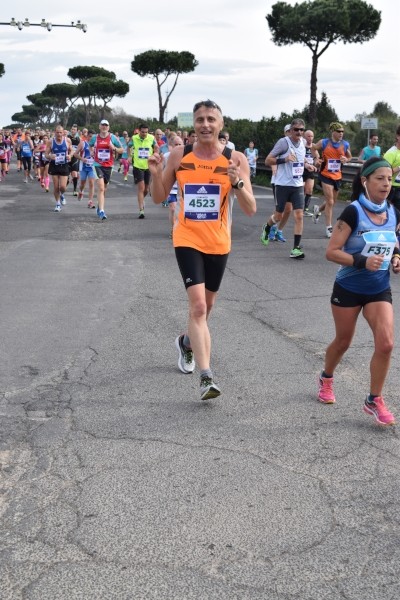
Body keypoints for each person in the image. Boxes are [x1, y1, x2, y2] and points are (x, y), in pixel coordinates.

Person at [148, 99, 256, 401]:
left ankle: (185, 342)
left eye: (211, 119)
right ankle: (207, 377)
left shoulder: (235, 160)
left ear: (221, 125)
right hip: (186, 238)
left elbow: (250, 208)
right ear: (192, 125)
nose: (205, 124)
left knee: (206, 310)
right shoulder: (179, 156)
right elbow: (158, 197)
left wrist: (237, 184)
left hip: (219, 242)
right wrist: (157, 173)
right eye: (200, 120)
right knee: (196, 307)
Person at [317, 157, 400, 425]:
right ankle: (326, 377)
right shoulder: (353, 212)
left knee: (386, 344)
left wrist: (397, 256)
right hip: (349, 287)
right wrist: (361, 261)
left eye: (389, 179)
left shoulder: (392, 211)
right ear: (365, 181)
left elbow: (392, 239)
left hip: (378, 288)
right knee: (343, 342)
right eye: (380, 178)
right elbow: (331, 252)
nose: (386, 184)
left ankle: (374, 399)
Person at [261, 118, 314, 259]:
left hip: (297, 185)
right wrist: (284, 159)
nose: (299, 132)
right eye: (296, 129)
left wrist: (307, 165)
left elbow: (300, 158)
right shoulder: (283, 143)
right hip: (282, 185)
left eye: (302, 130)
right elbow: (268, 160)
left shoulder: (303, 143)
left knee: (299, 215)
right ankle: (267, 227)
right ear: (290, 131)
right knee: (278, 216)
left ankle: (295, 248)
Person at [312, 122, 352, 238]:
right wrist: (317, 158)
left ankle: (317, 210)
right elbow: (313, 148)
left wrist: (346, 159)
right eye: (339, 131)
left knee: (332, 202)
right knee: (330, 201)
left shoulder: (345, 144)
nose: (341, 133)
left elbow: (349, 156)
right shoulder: (324, 142)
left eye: (342, 131)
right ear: (333, 132)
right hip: (325, 175)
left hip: (337, 176)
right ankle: (329, 227)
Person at [88, 119, 123, 220]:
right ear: (99, 127)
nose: (104, 127)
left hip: (109, 165)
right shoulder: (95, 138)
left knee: (104, 189)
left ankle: (100, 206)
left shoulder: (113, 138)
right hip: (97, 164)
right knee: (101, 187)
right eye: (102, 125)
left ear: (109, 127)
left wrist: (114, 148)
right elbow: (89, 145)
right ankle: (102, 211)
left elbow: (121, 149)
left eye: (106, 125)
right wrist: (91, 151)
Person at [129, 123, 158, 218]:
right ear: (139, 130)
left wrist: (155, 155)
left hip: (148, 166)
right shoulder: (134, 138)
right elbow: (128, 146)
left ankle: (141, 199)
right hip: (138, 166)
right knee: (141, 188)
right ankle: (141, 210)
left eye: (146, 132)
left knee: (146, 189)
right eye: (142, 132)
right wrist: (129, 156)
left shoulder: (151, 138)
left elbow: (156, 147)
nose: (144, 134)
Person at [45, 124, 73, 212]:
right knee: (56, 187)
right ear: (55, 132)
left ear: (63, 132)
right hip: (54, 165)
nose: (59, 134)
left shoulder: (67, 140)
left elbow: (72, 150)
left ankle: (62, 194)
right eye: (57, 132)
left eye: (61, 132)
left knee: (63, 187)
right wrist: (50, 156)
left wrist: (70, 155)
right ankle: (57, 204)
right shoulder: (50, 141)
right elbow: (45, 154)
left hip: (64, 165)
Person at [73, 130, 96, 208]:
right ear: (87, 136)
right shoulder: (83, 143)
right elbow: (75, 154)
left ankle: (90, 201)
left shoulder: (96, 145)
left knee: (91, 183)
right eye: (90, 136)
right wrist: (82, 159)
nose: (91, 138)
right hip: (83, 166)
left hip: (92, 167)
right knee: (83, 183)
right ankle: (81, 191)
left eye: (93, 137)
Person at [383, 124, 400, 211]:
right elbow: (384, 173)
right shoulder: (391, 153)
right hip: (391, 188)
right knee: (386, 212)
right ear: (397, 136)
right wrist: (398, 168)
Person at [303, 129, 318, 217]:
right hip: (302, 170)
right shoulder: (301, 145)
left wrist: (316, 164)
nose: (310, 138)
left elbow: (316, 158)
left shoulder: (314, 146)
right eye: (308, 136)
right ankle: (298, 207)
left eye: (312, 136)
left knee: (309, 190)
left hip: (311, 170)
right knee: (301, 189)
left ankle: (305, 209)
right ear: (305, 137)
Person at [67, 124, 81, 196]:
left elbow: (81, 149)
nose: (73, 131)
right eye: (72, 129)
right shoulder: (67, 138)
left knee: (75, 174)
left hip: (75, 158)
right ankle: (66, 183)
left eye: (74, 130)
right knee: (66, 176)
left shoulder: (79, 139)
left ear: (77, 131)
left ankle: (75, 190)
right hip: (68, 157)